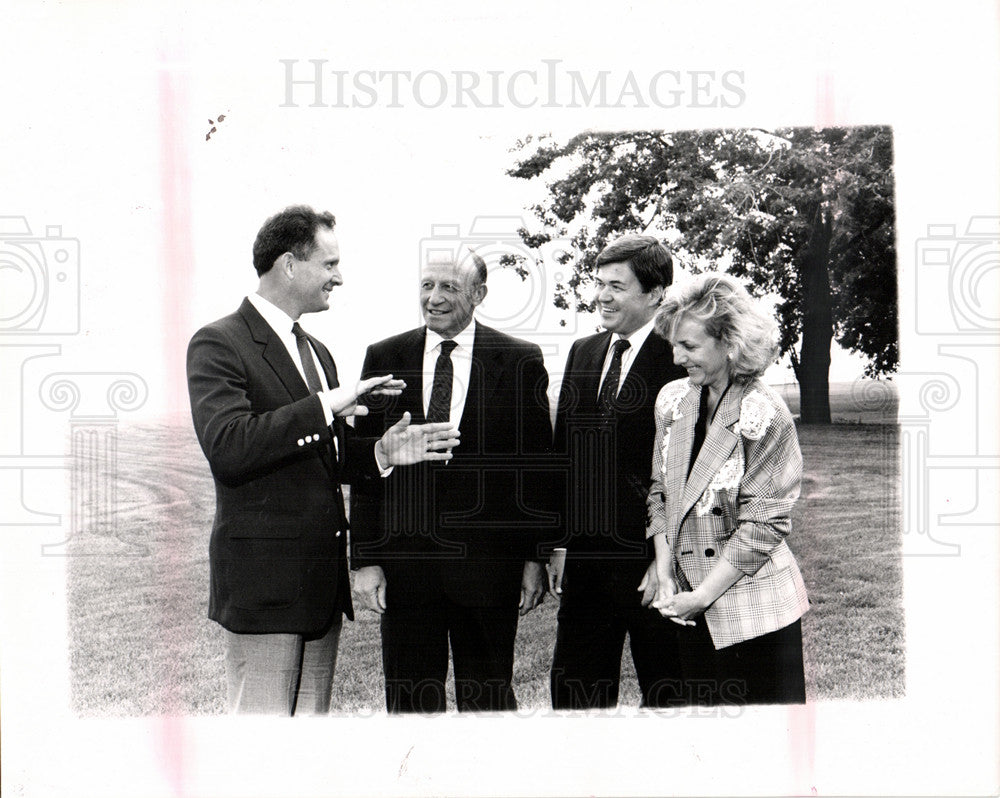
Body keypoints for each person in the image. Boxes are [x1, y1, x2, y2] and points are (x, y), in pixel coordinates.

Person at [186, 205, 459, 715]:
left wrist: (382, 452)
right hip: (267, 592)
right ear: (290, 264)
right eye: (330, 264)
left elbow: (323, 459)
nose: (339, 276)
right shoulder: (218, 342)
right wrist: (328, 402)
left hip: (319, 592)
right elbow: (229, 447)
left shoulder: (317, 350)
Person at [349, 248, 554, 713]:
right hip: (406, 569)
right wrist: (365, 559)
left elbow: (538, 469)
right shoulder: (384, 356)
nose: (434, 298)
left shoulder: (518, 359)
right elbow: (368, 467)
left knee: (489, 703)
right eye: (427, 285)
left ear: (479, 295)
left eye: (449, 288)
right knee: (409, 704)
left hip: (489, 570)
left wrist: (534, 557)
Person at [646, 272, 809, 705]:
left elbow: (763, 525)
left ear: (730, 343)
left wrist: (702, 595)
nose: (677, 357)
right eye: (674, 344)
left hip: (754, 613)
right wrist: (665, 578)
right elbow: (660, 494)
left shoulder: (765, 411)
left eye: (690, 346)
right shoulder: (673, 401)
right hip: (689, 608)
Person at [548, 234, 688, 709]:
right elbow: (566, 456)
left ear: (655, 294)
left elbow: (692, 474)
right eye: (599, 283)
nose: (602, 296)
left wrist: (664, 561)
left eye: (617, 286)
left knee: (670, 692)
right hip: (587, 564)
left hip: (658, 564)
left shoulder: (682, 358)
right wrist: (562, 543)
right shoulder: (583, 353)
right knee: (576, 697)